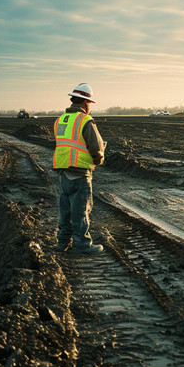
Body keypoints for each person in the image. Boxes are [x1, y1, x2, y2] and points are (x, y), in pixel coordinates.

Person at [53, 83, 105, 253]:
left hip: (63, 172)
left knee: (65, 211)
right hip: (80, 173)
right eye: (89, 103)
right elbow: (96, 149)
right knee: (81, 211)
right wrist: (98, 160)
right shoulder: (85, 120)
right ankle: (81, 244)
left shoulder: (60, 120)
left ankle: (62, 242)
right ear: (85, 103)